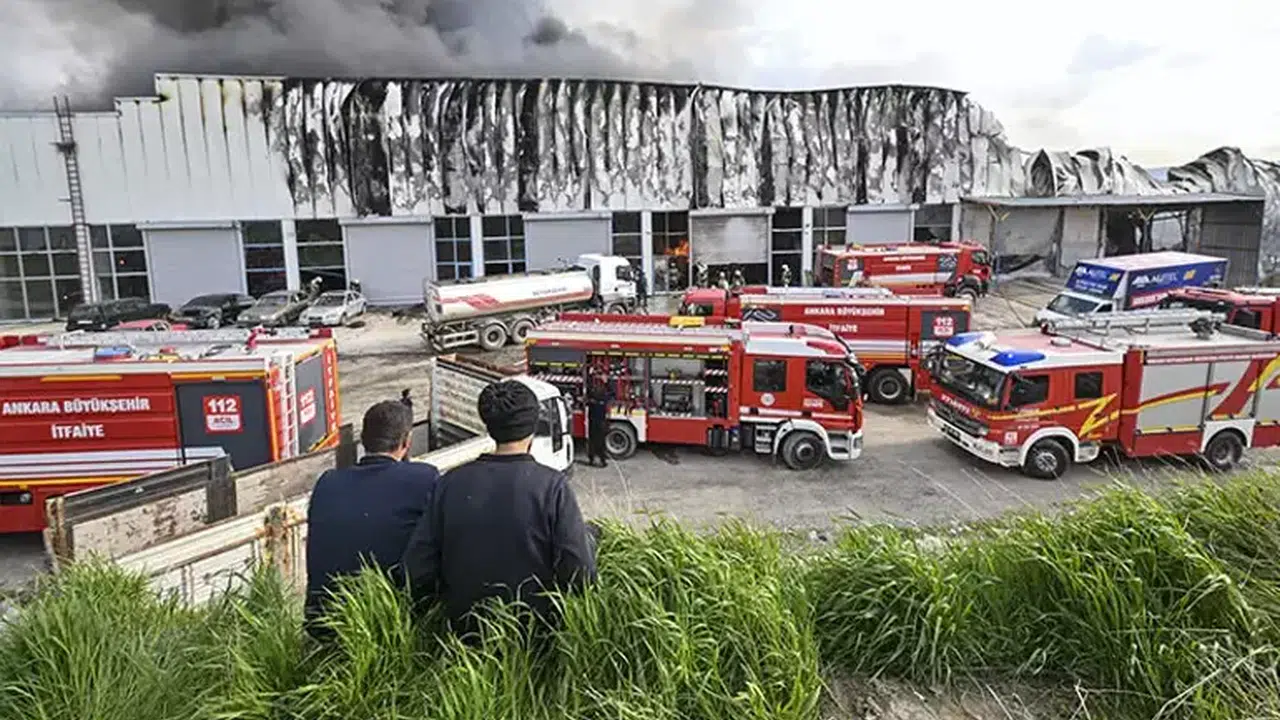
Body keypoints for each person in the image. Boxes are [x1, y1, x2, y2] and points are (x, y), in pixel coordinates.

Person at [400, 380, 598, 641]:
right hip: (536, 636)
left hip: (463, 634)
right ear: (532, 428)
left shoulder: (450, 483)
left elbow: (417, 567)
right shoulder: (552, 486)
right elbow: (580, 572)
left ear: (488, 426)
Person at [303, 400, 438, 641]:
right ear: (406, 442)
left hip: (324, 622)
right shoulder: (423, 479)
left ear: (363, 440)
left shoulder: (328, 483)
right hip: (389, 626)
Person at [585, 374, 611, 467]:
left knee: (592, 441)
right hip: (601, 423)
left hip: (592, 423)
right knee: (600, 442)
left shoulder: (591, 401)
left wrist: (590, 375)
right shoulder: (604, 400)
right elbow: (612, 393)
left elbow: (587, 387)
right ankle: (602, 461)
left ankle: (591, 460)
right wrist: (606, 382)